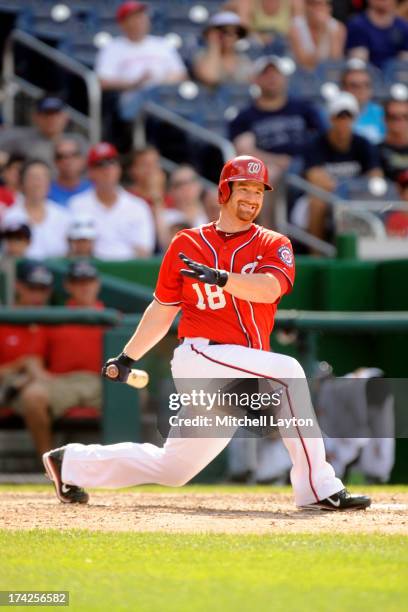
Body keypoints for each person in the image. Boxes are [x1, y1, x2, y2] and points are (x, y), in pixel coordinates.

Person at [42, 154, 371, 511]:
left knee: (174, 467)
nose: (252, 197)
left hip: (239, 372)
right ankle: (316, 487)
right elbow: (162, 310)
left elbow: (269, 289)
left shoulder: (275, 244)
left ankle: (70, 463)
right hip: (200, 356)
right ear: (223, 193)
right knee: (289, 371)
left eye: (258, 190)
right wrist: (127, 357)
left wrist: (223, 278)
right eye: (243, 188)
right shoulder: (186, 244)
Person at [15, 260, 104, 458]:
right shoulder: (55, 316)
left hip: (102, 383)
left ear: (97, 283)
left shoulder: (112, 317)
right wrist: (41, 376)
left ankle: (121, 466)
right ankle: (49, 465)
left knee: (134, 395)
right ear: (68, 285)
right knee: (32, 396)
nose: (84, 286)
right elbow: (34, 358)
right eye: (78, 282)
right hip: (64, 382)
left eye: (88, 281)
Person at [292, 92, 382, 242]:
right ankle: (318, 254)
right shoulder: (317, 143)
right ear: (331, 118)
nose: (344, 122)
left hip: (354, 195)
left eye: (348, 117)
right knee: (317, 202)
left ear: (354, 118)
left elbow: (375, 176)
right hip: (324, 197)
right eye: (339, 116)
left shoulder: (363, 144)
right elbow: (315, 178)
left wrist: (354, 188)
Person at [229, 55, 325, 183]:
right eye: (266, 74)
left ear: (285, 78)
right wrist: (277, 160)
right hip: (268, 168)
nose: (272, 78)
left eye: (276, 74)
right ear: (256, 80)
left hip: (306, 166)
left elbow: (323, 137)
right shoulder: (245, 117)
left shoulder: (304, 109)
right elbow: (243, 152)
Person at [69, 142, 155, 260]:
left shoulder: (138, 206)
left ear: (119, 168)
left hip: (128, 270)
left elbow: (144, 251)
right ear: (90, 172)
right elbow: (74, 249)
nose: (107, 169)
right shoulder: (76, 204)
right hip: (91, 270)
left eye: (112, 162)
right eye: (100, 164)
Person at [0, 261, 53, 453]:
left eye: (43, 289)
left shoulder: (51, 321)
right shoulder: (5, 320)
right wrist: (20, 364)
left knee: (34, 394)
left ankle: (47, 464)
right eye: (32, 288)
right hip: (7, 386)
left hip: (41, 386)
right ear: (19, 286)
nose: (38, 295)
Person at [95, 1, 186, 93]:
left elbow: (180, 74)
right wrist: (135, 83)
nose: (140, 21)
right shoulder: (112, 48)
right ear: (123, 23)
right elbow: (103, 81)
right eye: (134, 18)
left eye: (142, 16)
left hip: (163, 94)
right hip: (129, 95)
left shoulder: (162, 44)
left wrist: (157, 82)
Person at [2, 159, 69, 259]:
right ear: (22, 183)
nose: (38, 183)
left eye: (43, 177)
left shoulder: (63, 216)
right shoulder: (9, 216)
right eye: (33, 177)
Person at [0, 96, 73, 167]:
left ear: (66, 117)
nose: (51, 119)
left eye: (56, 114)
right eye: (46, 114)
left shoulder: (76, 142)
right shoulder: (21, 138)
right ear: (36, 116)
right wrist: (11, 162)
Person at [192, 11, 253, 86]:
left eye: (235, 32)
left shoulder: (244, 60)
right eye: (224, 32)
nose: (230, 36)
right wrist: (213, 44)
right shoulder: (202, 56)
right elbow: (210, 78)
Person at [346, 0, 408, 69]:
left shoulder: (403, 27)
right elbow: (358, 61)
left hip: (395, 74)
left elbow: (404, 61)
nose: (385, 1)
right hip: (368, 74)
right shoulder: (357, 25)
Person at [288, 0, 346, 70]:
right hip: (302, 74)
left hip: (327, 73)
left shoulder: (338, 28)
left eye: (324, 4)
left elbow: (335, 60)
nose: (319, 8)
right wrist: (321, 31)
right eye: (314, 4)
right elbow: (303, 62)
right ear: (306, 6)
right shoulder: (295, 28)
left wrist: (326, 29)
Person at [340, 60, 385, 144]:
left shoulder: (382, 114)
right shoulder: (335, 115)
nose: (361, 90)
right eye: (354, 86)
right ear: (343, 89)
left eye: (366, 85)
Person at [48, 136, 91, 207]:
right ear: (54, 162)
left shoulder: (93, 190)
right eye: (61, 156)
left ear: (83, 160)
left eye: (74, 155)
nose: (67, 161)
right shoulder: (46, 192)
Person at [379, 98, 408, 181]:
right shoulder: (373, 151)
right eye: (393, 117)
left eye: (405, 116)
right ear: (384, 119)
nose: (399, 121)